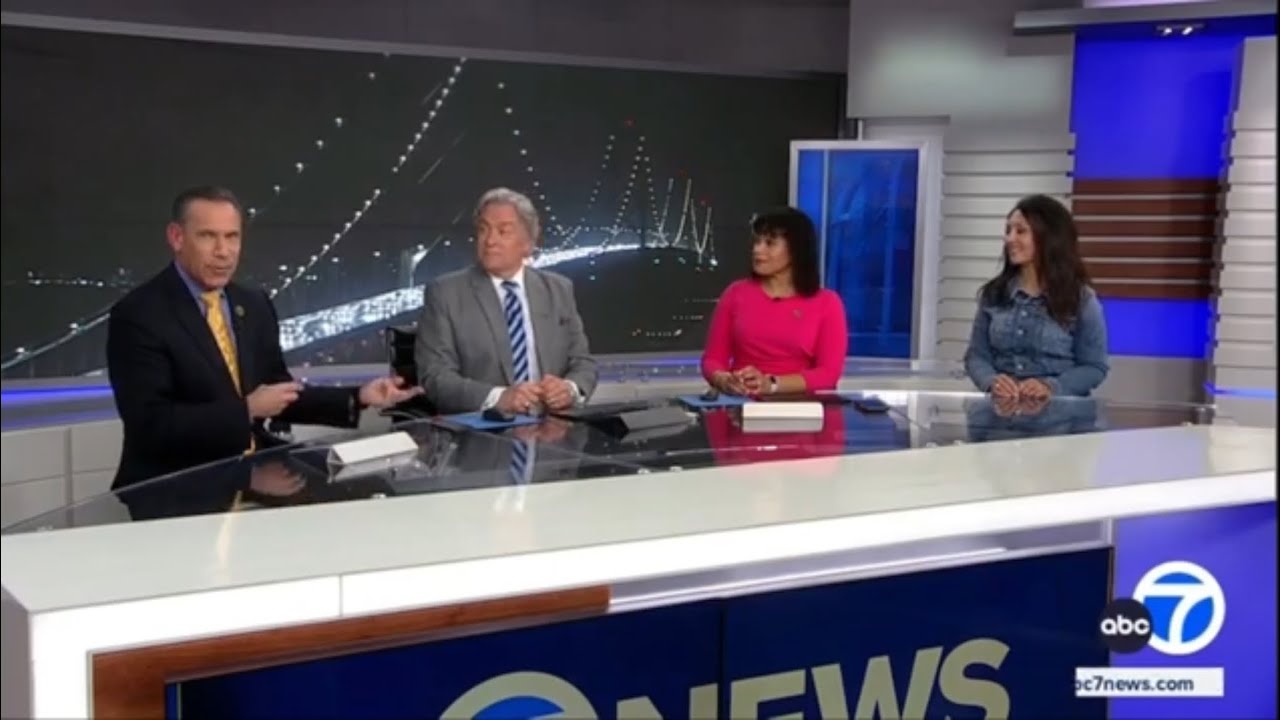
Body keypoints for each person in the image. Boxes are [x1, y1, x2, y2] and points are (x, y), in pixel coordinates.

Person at [106, 186, 421, 490]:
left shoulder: (252, 303)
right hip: (177, 482)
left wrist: (360, 396)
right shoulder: (139, 315)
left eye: (232, 237)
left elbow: (277, 392)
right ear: (177, 237)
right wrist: (246, 411)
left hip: (259, 465)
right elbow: (151, 425)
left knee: (372, 492)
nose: (223, 252)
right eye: (208, 236)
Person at [414, 187, 598, 415]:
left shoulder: (558, 289)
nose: (490, 240)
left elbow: (583, 363)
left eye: (503, 231)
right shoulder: (445, 293)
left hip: (553, 426)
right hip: (484, 429)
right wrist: (498, 398)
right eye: (483, 230)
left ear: (528, 243)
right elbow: (435, 378)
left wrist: (569, 389)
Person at [964, 194, 1109, 399]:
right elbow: (976, 356)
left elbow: (1094, 367)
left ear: (1048, 237)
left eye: (1020, 231)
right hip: (1000, 413)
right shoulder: (994, 294)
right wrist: (991, 381)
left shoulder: (1081, 300)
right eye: (1008, 230)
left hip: (1060, 415)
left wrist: (1051, 387)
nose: (1009, 239)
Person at [700, 207, 848, 396]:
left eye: (770, 243)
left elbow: (828, 374)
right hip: (741, 403)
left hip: (800, 407)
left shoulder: (827, 303)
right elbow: (712, 359)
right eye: (757, 241)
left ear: (796, 249)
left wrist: (771, 384)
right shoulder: (735, 294)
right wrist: (724, 379)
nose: (757, 250)